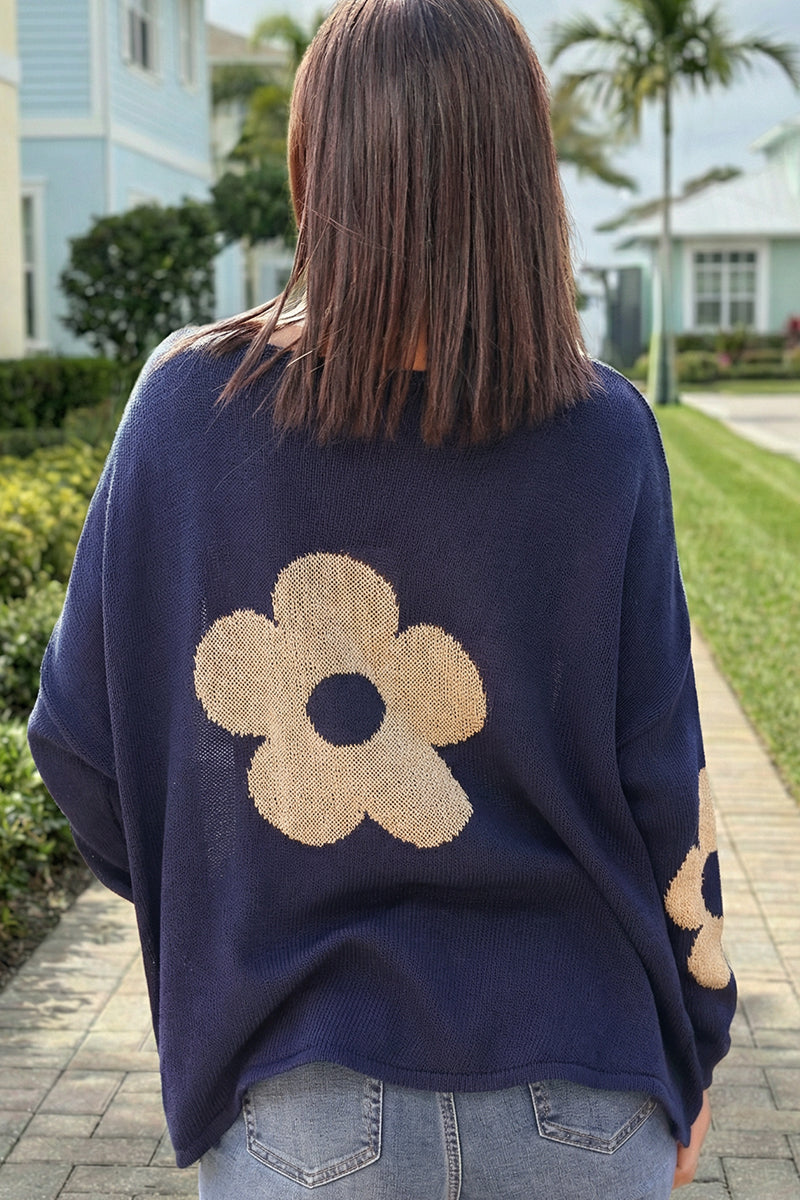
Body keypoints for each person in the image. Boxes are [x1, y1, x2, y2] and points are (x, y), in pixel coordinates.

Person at [28, 0, 736, 1195]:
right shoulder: (604, 432)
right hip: (586, 1091)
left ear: (318, 158)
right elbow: (666, 788)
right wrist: (696, 1052)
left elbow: (81, 750)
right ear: (522, 176)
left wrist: (233, 911)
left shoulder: (185, 409)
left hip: (302, 1110)